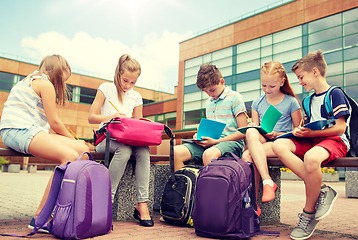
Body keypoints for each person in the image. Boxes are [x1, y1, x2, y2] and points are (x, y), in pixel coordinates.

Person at [0, 54, 90, 233]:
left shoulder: (32, 80)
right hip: (18, 130)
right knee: (70, 156)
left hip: (28, 129)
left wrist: (78, 143)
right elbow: (55, 123)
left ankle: (66, 208)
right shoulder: (45, 84)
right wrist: (72, 139)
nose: (65, 81)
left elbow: (49, 125)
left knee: (83, 150)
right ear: (58, 70)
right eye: (66, 76)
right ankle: (41, 217)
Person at [272, 50, 350, 240]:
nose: (299, 82)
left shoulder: (335, 94)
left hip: (335, 141)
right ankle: (322, 188)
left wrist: (312, 133)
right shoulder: (307, 101)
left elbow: (340, 127)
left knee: (311, 157)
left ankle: (308, 214)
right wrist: (293, 133)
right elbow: (306, 128)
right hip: (313, 141)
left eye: (301, 77)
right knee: (279, 145)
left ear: (315, 71)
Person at [88, 54, 153, 227]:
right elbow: (91, 117)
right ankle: (105, 202)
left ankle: (142, 204)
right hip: (106, 138)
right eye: (125, 80)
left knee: (144, 151)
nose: (128, 85)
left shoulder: (136, 97)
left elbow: (139, 126)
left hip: (128, 138)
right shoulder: (105, 88)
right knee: (124, 150)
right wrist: (113, 116)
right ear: (118, 74)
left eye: (133, 82)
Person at [241, 61, 302, 207]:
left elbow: (299, 131)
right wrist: (254, 127)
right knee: (250, 130)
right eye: (264, 85)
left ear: (282, 82)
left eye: (272, 86)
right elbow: (256, 131)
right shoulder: (257, 103)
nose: (267, 89)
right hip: (263, 142)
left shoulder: (291, 102)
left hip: (281, 143)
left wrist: (277, 134)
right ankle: (267, 181)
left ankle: (252, 205)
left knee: (247, 155)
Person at [174, 64, 247, 171]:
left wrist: (216, 141)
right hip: (211, 144)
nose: (209, 94)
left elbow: (243, 131)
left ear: (222, 82)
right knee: (175, 152)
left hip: (232, 145)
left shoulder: (235, 97)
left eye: (212, 90)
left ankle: (211, 187)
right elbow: (212, 129)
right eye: (205, 91)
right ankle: (185, 186)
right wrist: (200, 136)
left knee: (209, 154)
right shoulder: (209, 102)